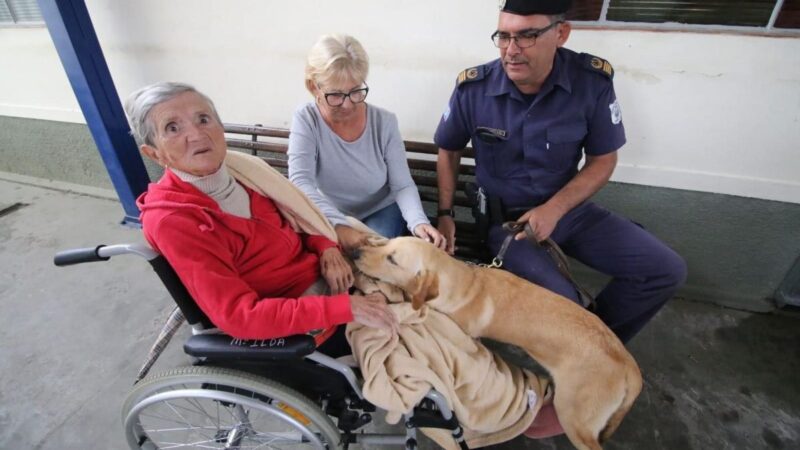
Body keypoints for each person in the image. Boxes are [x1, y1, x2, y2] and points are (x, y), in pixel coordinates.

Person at [435, 0, 687, 345]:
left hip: (569, 211)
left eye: (527, 36)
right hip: (509, 226)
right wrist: (446, 214)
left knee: (664, 270)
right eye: (504, 36)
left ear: (561, 34)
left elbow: (603, 159)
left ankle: (596, 348)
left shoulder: (591, 83)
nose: (511, 50)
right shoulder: (475, 88)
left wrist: (554, 209)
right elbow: (447, 150)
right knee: (567, 305)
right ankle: (585, 345)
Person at [127, 81, 397, 357]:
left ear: (221, 127)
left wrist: (325, 247)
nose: (196, 135)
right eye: (173, 128)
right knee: (411, 345)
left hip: (332, 279)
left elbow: (301, 220)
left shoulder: (246, 171)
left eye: (203, 119)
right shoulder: (174, 221)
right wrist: (347, 308)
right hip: (298, 320)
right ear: (154, 153)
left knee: (423, 288)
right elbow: (240, 316)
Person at [288, 34, 446, 251]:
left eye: (355, 91)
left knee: (370, 256)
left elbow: (402, 185)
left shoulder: (384, 122)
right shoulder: (307, 119)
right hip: (331, 211)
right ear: (313, 86)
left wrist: (419, 222)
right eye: (335, 95)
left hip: (382, 210)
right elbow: (300, 181)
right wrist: (340, 225)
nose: (347, 105)